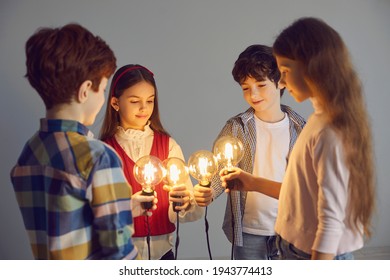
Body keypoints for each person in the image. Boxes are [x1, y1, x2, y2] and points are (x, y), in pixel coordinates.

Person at [220, 17, 376, 260]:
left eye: (284, 72)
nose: (281, 81)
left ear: (312, 66)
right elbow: (301, 193)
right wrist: (251, 182)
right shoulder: (317, 121)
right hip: (294, 248)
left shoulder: (327, 131)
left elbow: (330, 222)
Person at [10, 23, 154, 259]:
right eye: (104, 89)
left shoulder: (30, 152)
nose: (103, 99)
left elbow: (66, 220)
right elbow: (119, 253)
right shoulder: (98, 157)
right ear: (86, 90)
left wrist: (123, 207)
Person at [193, 45, 306, 260]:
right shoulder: (237, 127)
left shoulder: (300, 129)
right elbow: (220, 171)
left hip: (290, 230)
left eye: (261, 85)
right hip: (249, 230)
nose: (253, 94)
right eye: (246, 88)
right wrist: (206, 192)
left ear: (281, 81)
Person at [100, 64, 204, 260]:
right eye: (134, 101)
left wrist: (185, 202)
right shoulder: (104, 151)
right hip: (118, 253)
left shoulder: (168, 146)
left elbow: (190, 209)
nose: (144, 108)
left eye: (150, 101)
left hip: (162, 254)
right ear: (115, 103)